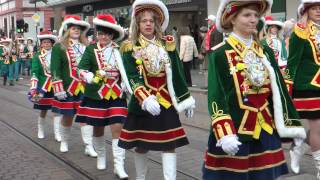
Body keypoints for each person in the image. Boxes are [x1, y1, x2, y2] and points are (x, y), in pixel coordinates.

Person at [203, 1, 306, 180]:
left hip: (265, 128)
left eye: (255, 16)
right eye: (247, 15)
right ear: (232, 19)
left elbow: (280, 91)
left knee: (266, 176)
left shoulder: (264, 51)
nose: (253, 20)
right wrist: (224, 131)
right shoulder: (220, 54)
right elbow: (216, 94)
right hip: (234, 131)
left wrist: (293, 125)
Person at [118, 0, 195, 179]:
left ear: (157, 24)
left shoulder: (167, 43)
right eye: (144, 21)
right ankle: (141, 178)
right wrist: (144, 98)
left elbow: (177, 73)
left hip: (166, 102)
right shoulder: (130, 47)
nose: (148, 24)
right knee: (141, 144)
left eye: (151, 21)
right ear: (138, 23)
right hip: (144, 104)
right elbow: (131, 77)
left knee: (169, 144)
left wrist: (186, 99)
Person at [75, 14, 130, 178]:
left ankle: (118, 165)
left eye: (107, 33)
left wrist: (127, 82)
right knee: (98, 129)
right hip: (96, 95)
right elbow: (81, 68)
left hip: (117, 95)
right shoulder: (91, 49)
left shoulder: (120, 49)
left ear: (112, 35)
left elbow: (127, 70)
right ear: (97, 35)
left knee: (117, 128)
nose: (103, 36)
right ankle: (101, 156)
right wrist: (88, 76)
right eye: (100, 33)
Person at [50, 15, 97, 157]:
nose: (76, 30)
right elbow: (55, 68)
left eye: (79, 29)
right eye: (73, 28)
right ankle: (64, 141)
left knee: (87, 117)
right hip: (68, 88)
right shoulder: (59, 46)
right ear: (67, 30)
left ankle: (88, 145)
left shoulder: (88, 46)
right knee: (67, 117)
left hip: (86, 87)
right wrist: (58, 88)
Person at [286, 1, 320, 178]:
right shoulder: (299, 33)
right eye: (314, 9)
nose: (318, 12)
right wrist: (287, 89)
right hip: (307, 86)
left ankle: (297, 150)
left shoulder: (319, 31)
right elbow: (292, 63)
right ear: (306, 11)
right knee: (317, 128)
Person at [29, 29, 62, 141]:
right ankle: (40, 129)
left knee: (57, 110)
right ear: (41, 44)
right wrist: (34, 87)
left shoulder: (57, 55)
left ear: (52, 43)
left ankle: (57, 133)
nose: (46, 44)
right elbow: (35, 71)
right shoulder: (37, 56)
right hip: (43, 88)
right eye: (44, 42)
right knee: (43, 110)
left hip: (56, 87)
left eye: (48, 42)